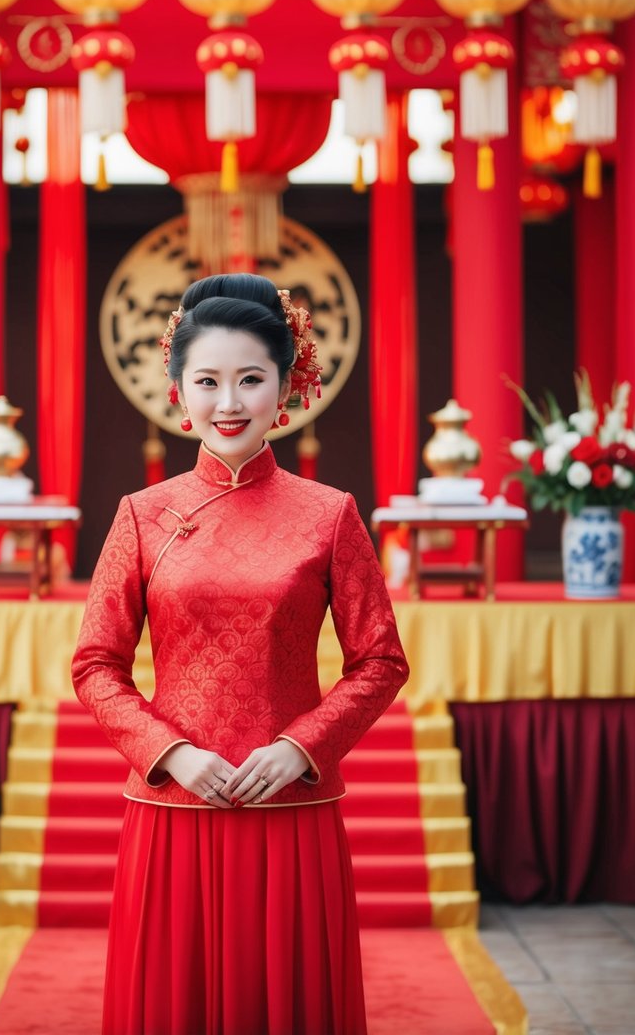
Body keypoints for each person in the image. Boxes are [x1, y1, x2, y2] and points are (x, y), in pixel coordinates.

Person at [72, 273, 409, 1035]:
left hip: (291, 803)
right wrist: (171, 753)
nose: (229, 402)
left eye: (250, 379)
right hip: (172, 803)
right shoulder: (142, 514)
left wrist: (302, 747)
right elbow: (96, 664)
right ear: (177, 390)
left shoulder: (329, 515)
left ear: (287, 387)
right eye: (208, 381)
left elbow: (379, 661)